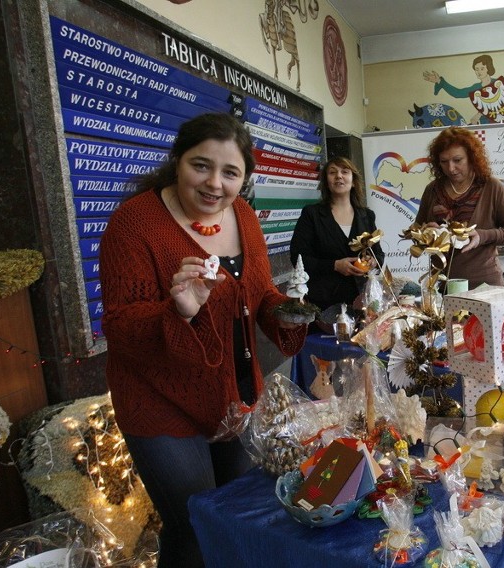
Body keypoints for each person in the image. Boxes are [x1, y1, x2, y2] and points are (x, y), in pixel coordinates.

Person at [99, 112, 307, 568]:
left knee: (236, 518)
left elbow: (259, 292)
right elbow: (120, 325)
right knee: (194, 526)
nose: (215, 183)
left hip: (234, 400)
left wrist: (289, 310)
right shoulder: (134, 225)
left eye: (230, 172)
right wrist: (178, 311)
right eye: (201, 165)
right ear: (178, 161)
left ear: (244, 178)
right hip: (161, 404)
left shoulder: (245, 217)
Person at [414, 126, 504, 288]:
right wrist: (425, 233)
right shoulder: (432, 189)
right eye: (444, 162)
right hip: (442, 285)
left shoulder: (492, 187)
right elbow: (417, 229)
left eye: (457, 160)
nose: (451, 168)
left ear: (472, 158)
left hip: (485, 285)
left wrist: (482, 236)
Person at [289, 156, 385, 310]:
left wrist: (372, 261)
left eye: (345, 172)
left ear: (353, 181)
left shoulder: (367, 216)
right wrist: (334, 265)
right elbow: (298, 257)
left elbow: (378, 254)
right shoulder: (311, 214)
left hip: (363, 301)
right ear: (326, 182)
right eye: (332, 172)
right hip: (324, 303)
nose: (339, 176)